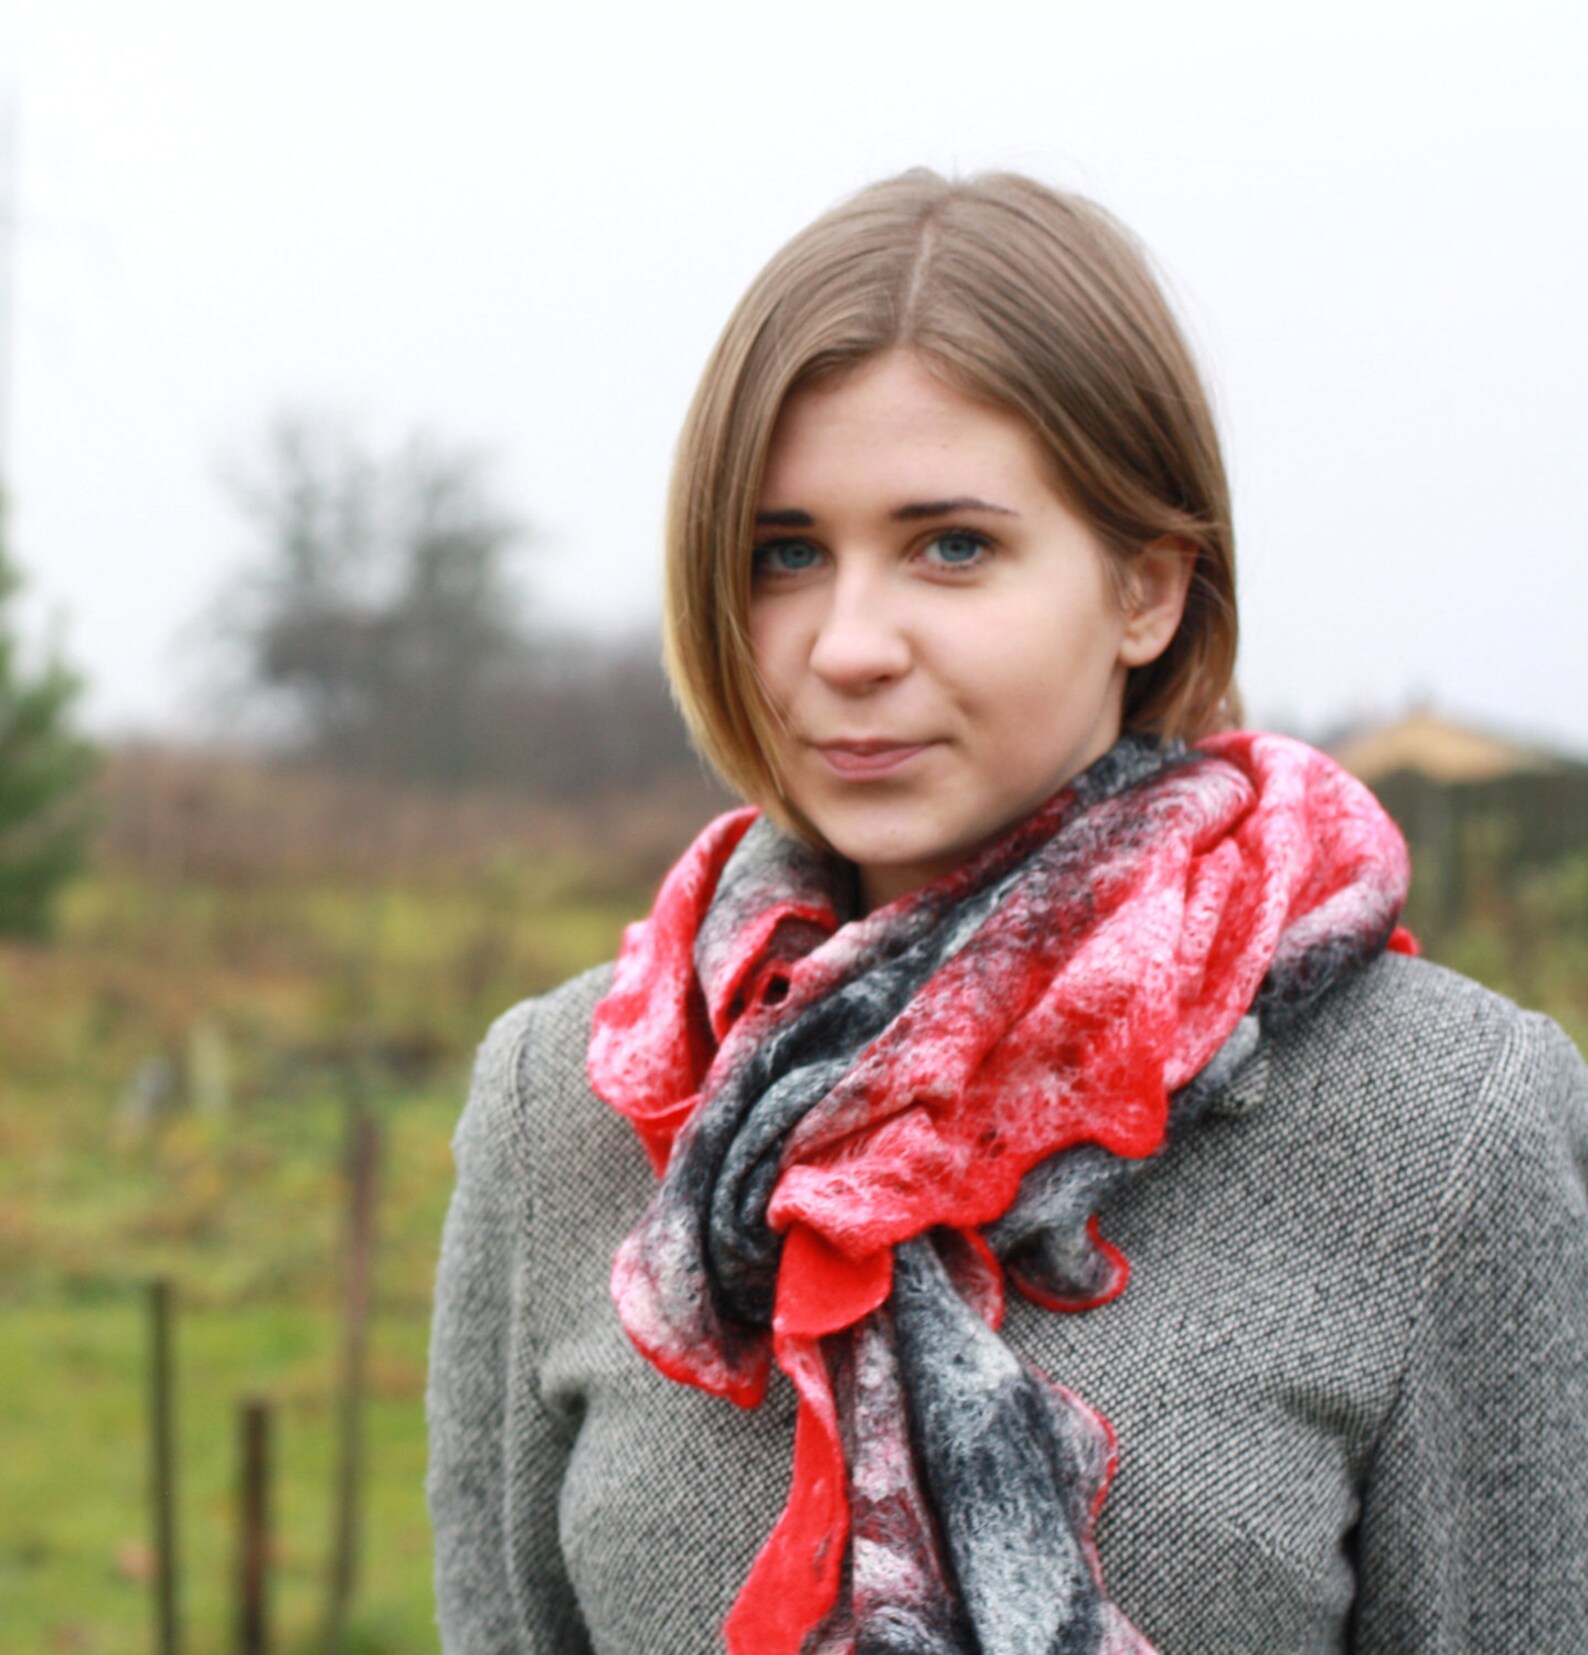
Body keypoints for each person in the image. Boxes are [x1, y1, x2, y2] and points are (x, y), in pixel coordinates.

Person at [426, 170, 1588, 1654]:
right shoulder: (572, 1099)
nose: (846, 645)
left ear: (1145, 592)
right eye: (787, 553)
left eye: (952, 545)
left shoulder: (1443, 1122)